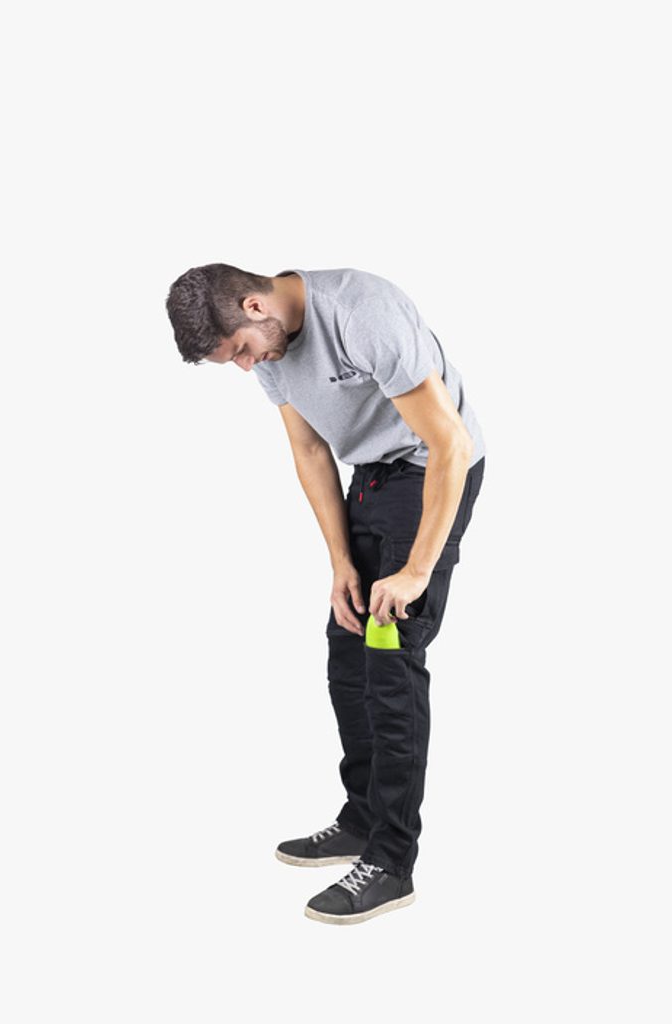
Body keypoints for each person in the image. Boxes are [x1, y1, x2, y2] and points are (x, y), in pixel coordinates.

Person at [166, 263, 486, 926]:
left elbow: (450, 444)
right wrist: (341, 561)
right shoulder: (270, 348)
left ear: (255, 306)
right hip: (372, 474)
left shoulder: (362, 316)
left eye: (241, 350)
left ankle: (392, 862)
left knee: (390, 660)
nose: (247, 367)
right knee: (348, 656)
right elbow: (311, 450)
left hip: (430, 472)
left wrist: (416, 570)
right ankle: (362, 819)